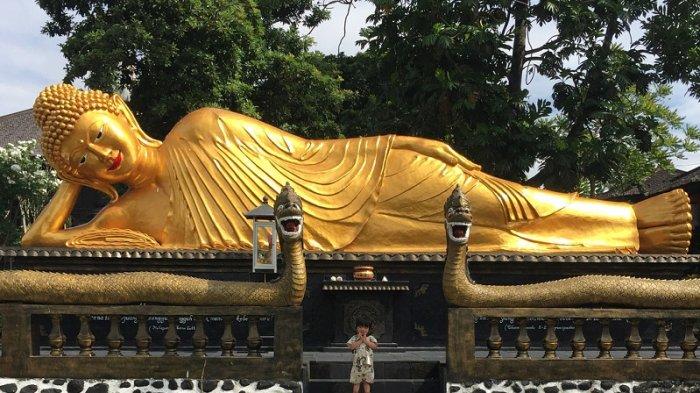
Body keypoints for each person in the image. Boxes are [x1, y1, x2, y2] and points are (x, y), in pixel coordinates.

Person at [23, 84, 692, 253]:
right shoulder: (123, 216)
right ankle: (629, 242)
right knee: (499, 246)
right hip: (352, 249)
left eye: (95, 135)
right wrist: (72, 185)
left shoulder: (202, 125)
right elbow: (35, 247)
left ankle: (635, 218)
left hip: (366, 180)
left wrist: (402, 141)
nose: (99, 154)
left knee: (506, 202)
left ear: (116, 110)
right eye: (80, 160)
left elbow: (309, 151)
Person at [347, 320, 378, 393]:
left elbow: (374, 346)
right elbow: (351, 347)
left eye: (365, 327)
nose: (363, 329)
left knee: (366, 383)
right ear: (356, 328)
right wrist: (361, 340)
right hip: (357, 365)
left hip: (368, 365)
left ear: (369, 329)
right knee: (356, 383)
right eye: (360, 327)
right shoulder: (354, 338)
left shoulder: (370, 338)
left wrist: (366, 341)